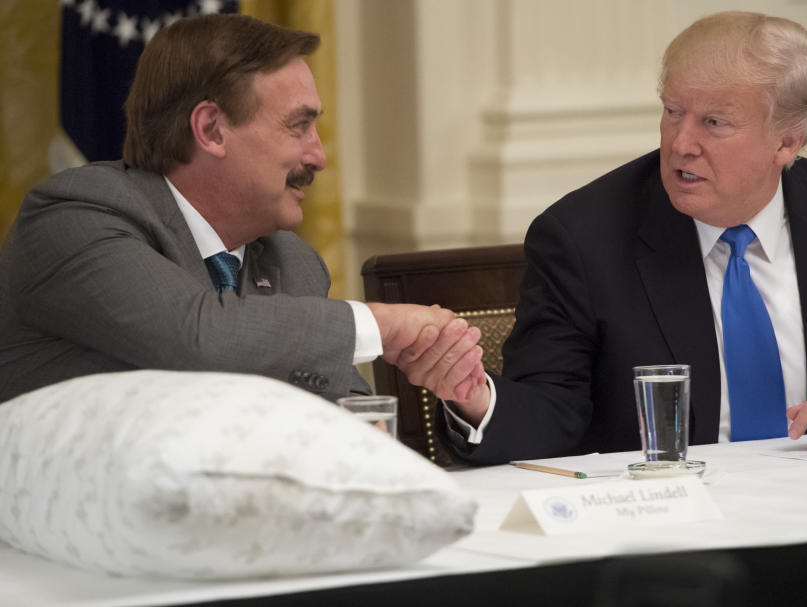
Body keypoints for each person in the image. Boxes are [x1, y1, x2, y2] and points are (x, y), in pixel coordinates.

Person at [407, 11, 807, 465]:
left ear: (787, 142)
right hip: (673, 532)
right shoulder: (583, 237)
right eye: (673, 112)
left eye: (715, 123)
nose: (681, 143)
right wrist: (476, 400)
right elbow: (553, 413)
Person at [0, 14, 485, 404]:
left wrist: (454, 386)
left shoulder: (292, 263)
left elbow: (347, 414)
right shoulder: (73, 218)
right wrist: (381, 325)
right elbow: (193, 338)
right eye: (299, 127)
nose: (319, 155)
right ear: (211, 129)